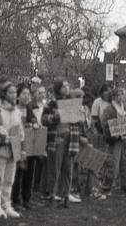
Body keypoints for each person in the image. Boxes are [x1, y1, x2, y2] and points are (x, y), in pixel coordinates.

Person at [41, 78, 80, 208]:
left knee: (68, 169)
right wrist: (55, 116)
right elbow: (44, 120)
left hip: (71, 140)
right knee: (54, 169)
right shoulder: (51, 104)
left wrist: (80, 116)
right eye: (64, 86)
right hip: (56, 139)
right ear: (58, 88)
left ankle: (66, 196)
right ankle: (52, 195)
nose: (67, 88)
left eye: (68, 85)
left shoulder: (72, 103)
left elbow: (77, 122)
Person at [0, 81, 24, 218]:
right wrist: (1, 132)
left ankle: (7, 205)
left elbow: (20, 128)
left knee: (10, 179)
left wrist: (21, 143)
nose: (14, 95)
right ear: (4, 93)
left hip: (14, 147)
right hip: (2, 147)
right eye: (11, 92)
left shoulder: (16, 110)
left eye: (15, 92)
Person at [101, 88, 126, 196]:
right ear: (114, 97)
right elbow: (105, 125)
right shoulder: (109, 110)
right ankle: (106, 187)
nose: (121, 97)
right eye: (119, 95)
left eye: (123, 95)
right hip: (114, 142)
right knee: (112, 165)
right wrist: (117, 136)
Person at [12, 84, 38, 211]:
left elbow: (35, 122)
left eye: (28, 94)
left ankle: (26, 199)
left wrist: (34, 125)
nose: (26, 96)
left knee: (29, 172)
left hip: (30, 142)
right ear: (18, 95)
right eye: (24, 94)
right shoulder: (14, 109)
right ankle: (15, 199)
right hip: (17, 142)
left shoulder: (30, 109)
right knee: (17, 172)